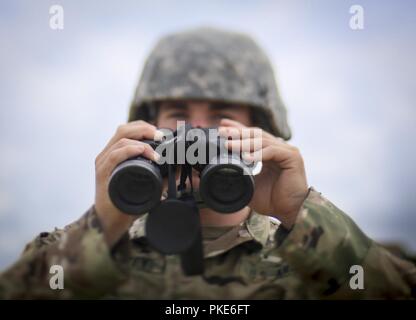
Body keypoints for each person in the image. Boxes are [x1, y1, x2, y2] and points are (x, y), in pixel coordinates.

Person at [0, 27, 415, 299]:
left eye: (220, 115)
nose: (194, 132)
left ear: (261, 130)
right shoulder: (76, 256)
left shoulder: (317, 256)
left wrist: (301, 213)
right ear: (147, 129)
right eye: (177, 113)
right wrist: (103, 227)